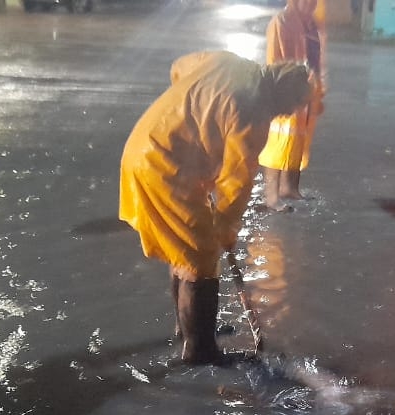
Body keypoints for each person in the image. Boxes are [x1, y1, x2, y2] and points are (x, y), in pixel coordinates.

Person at [119, 51, 312, 365]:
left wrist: (194, 117)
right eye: (285, 111)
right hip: (166, 166)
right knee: (201, 257)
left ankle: (189, 330)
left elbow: (179, 67)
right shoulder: (255, 114)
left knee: (184, 250)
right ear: (280, 98)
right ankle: (200, 351)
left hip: (146, 144)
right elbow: (236, 184)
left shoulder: (227, 61)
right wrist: (224, 229)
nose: (280, 117)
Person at [258, 0, 327, 212]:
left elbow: (317, 59)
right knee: (278, 142)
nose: (310, 5)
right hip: (285, 91)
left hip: (306, 91)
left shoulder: (310, 25)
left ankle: (290, 189)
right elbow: (274, 61)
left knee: (299, 141)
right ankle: (271, 198)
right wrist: (283, 89)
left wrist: (317, 89)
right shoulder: (281, 22)